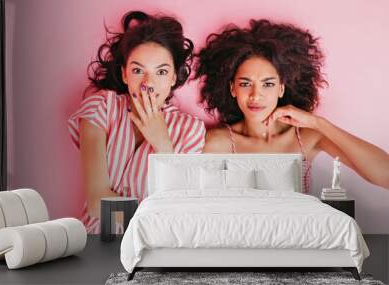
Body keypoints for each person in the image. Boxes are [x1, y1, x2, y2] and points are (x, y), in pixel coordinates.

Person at [195, 19, 389, 192]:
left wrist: (318, 123)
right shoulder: (217, 142)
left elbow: (385, 175)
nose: (256, 95)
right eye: (245, 84)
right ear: (232, 89)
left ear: (281, 89)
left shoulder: (307, 138)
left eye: (268, 84)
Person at [68, 11, 206, 233]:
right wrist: (152, 219)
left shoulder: (191, 130)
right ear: (124, 74)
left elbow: (178, 211)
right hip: (94, 245)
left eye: (161, 72)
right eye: (138, 70)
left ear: (173, 77)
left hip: (154, 253)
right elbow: (96, 204)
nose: (148, 83)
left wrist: (164, 146)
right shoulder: (101, 108)